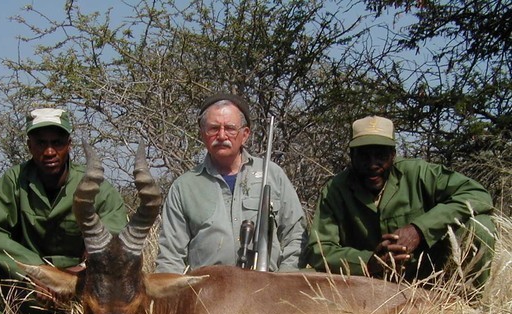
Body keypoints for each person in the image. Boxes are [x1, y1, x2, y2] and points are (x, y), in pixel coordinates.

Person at [0, 108, 127, 314]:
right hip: (28, 284)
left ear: (69, 144)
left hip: (78, 285)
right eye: (41, 143)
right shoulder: (14, 180)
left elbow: (117, 233)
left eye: (57, 142)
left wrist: (83, 268)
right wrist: (35, 271)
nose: (50, 151)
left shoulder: (94, 184)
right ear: (29, 146)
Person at [305, 115, 496, 290]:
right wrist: (369, 262)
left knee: (479, 227)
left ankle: (469, 309)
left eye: (380, 155)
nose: (372, 164)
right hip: (367, 286)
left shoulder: (419, 173)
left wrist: (419, 230)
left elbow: (477, 195)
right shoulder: (335, 189)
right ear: (352, 156)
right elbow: (319, 250)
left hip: (428, 280)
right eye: (364, 155)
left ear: (393, 154)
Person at [156, 93, 305, 273]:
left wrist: (284, 284)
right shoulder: (183, 187)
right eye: (213, 128)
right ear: (202, 133)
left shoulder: (272, 175)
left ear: (245, 134)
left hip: (267, 292)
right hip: (207, 295)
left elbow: (296, 237)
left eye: (230, 128)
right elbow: (170, 259)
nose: (221, 135)